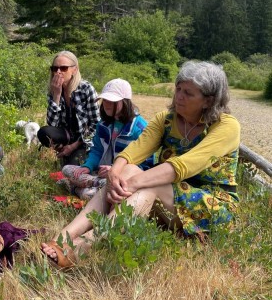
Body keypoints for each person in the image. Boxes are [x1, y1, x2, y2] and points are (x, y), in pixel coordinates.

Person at [42, 61, 240, 268]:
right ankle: (62, 237)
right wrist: (114, 175)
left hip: (211, 205)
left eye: (188, 93)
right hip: (169, 198)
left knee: (148, 184)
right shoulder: (166, 119)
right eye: (178, 89)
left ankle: (81, 247)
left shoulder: (226, 126)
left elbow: (184, 165)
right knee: (127, 170)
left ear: (208, 101)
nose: (179, 96)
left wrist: (134, 183)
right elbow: (135, 150)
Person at [59, 78, 153, 200]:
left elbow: (146, 165)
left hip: (124, 178)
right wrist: (87, 166)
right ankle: (95, 186)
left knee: (92, 194)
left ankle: (76, 187)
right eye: (105, 100)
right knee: (67, 168)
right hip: (99, 175)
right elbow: (97, 150)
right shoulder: (103, 124)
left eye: (112, 100)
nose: (106, 103)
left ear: (125, 102)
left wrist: (115, 170)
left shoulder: (140, 128)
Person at [37, 51, 100, 166]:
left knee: (72, 167)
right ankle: (63, 151)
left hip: (83, 139)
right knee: (43, 132)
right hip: (67, 135)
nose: (58, 72)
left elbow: (96, 124)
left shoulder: (86, 89)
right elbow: (52, 124)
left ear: (74, 70)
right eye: (54, 68)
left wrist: (73, 146)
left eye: (63, 68)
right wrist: (56, 95)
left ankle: (73, 154)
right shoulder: (54, 89)